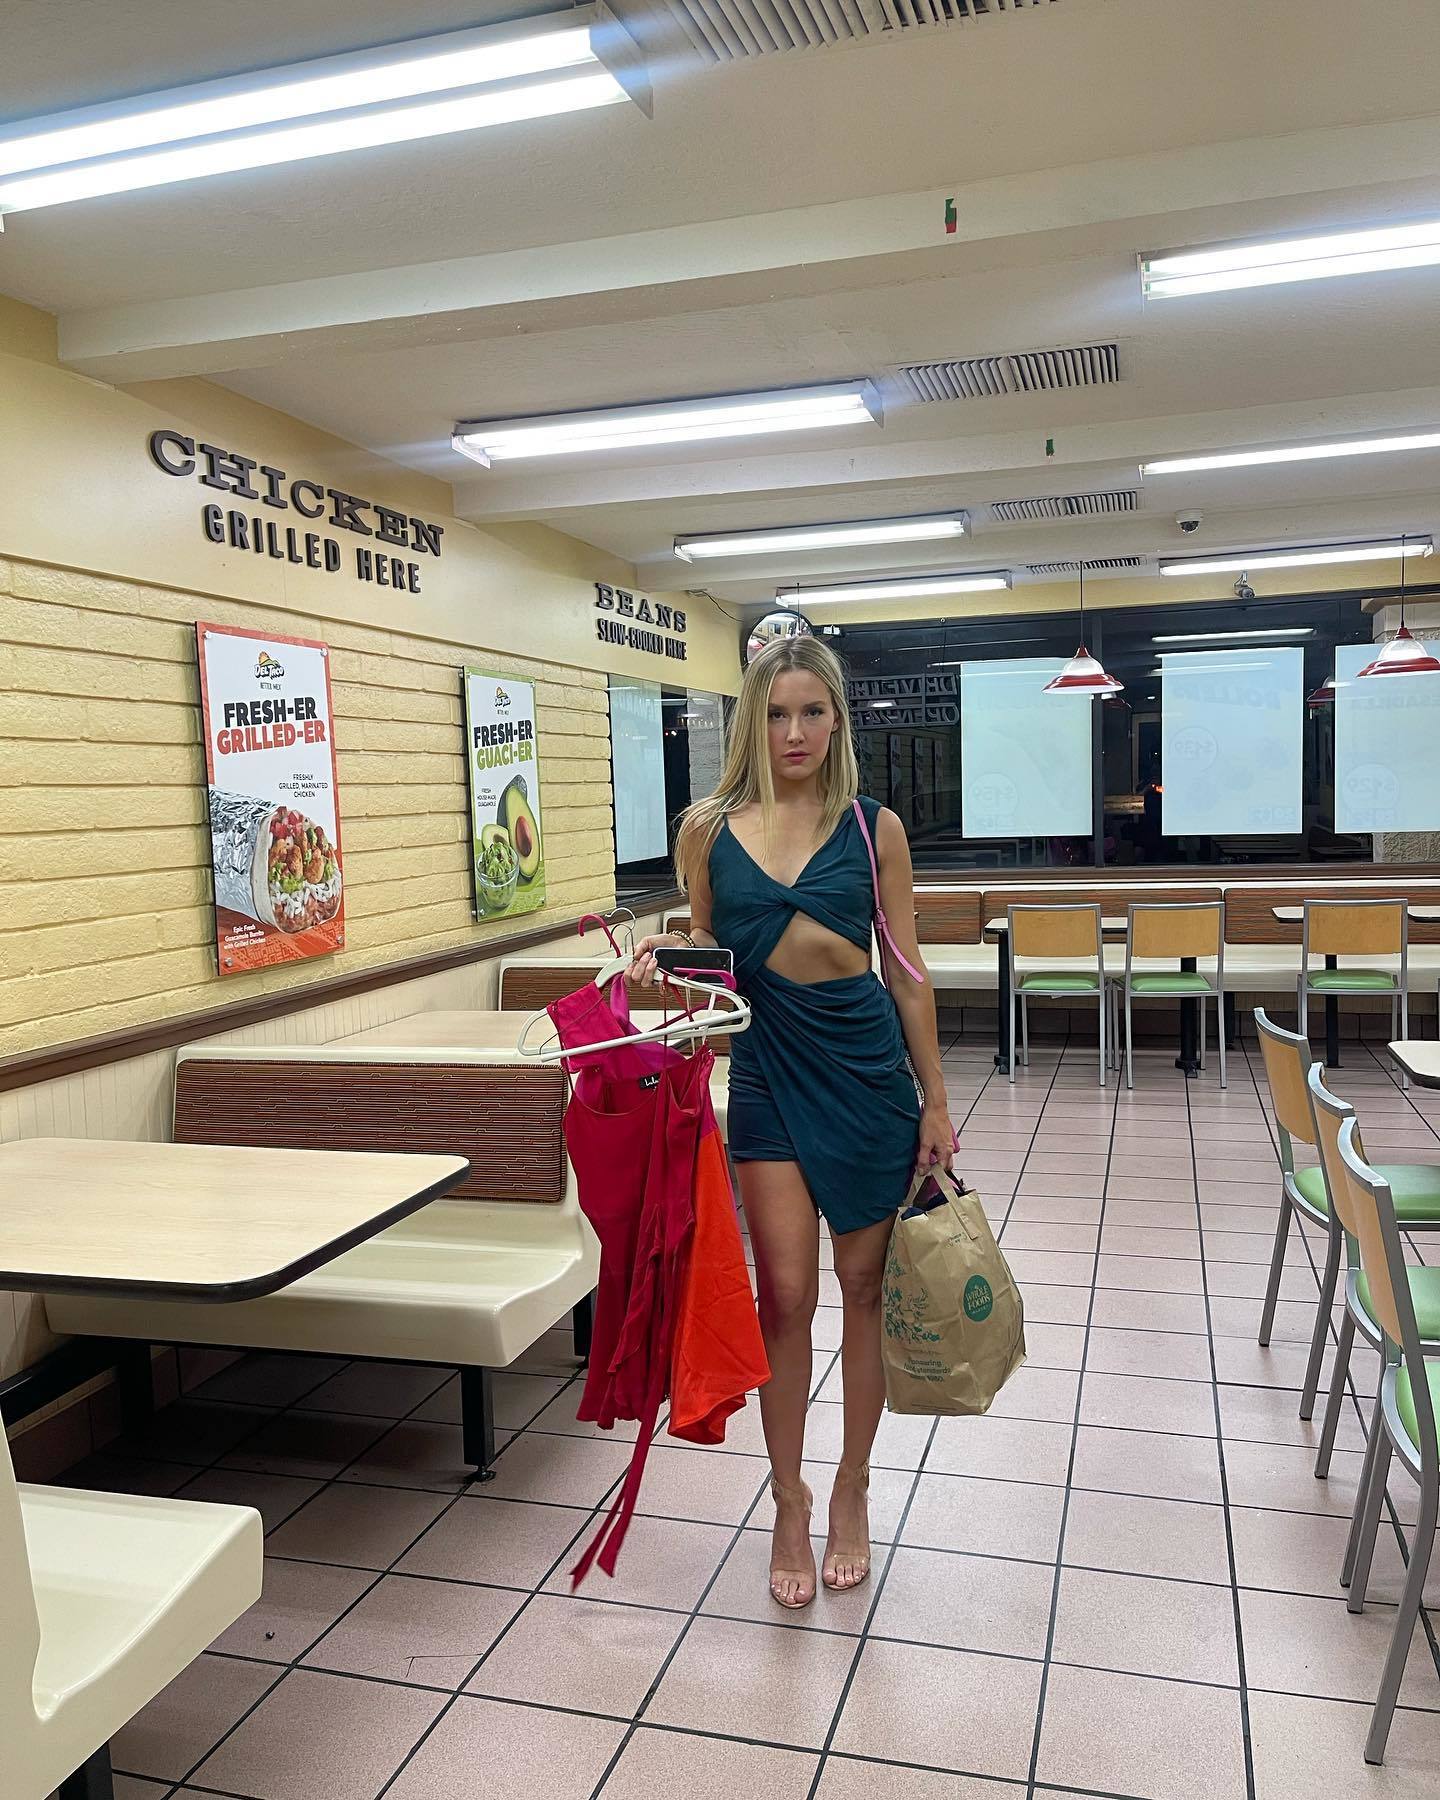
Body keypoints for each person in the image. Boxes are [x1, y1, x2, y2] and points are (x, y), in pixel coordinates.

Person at [631, 636, 956, 1609]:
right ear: (751, 723)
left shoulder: (873, 828)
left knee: (863, 1289)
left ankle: (851, 1486)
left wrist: (936, 1100)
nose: (795, 732)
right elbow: (708, 940)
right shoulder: (707, 830)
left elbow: (906, 971)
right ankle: (787, 1498)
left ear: (837, 721)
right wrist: (672, 952)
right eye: (776, 713)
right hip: (770, 1066)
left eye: (813, 712)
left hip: (866, 1073)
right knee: (784, 1296)